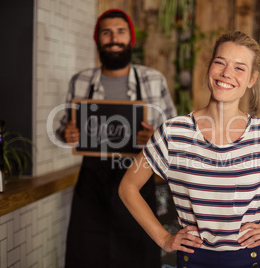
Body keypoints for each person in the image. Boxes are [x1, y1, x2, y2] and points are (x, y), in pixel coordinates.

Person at [119, 31, 260, 268]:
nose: (226, 73)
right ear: (210, 67)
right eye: (220, 62)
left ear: (251, 79)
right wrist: (164, 238)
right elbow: (128, 187)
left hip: (250, 261)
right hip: (192, 260)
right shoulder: (173, 132)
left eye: (239, 68)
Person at [56, 9, 177, 268]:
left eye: (120, 31)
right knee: (85, 254)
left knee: (138, 256)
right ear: (98, 39)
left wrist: (154, 139)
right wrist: (66, 133)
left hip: (138, 178)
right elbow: (64, 127)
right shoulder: (80, 81)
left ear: (130, 39)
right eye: (106, 32)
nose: (114, 38)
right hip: (92, 183)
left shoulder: (153, 79)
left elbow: (174, 137)